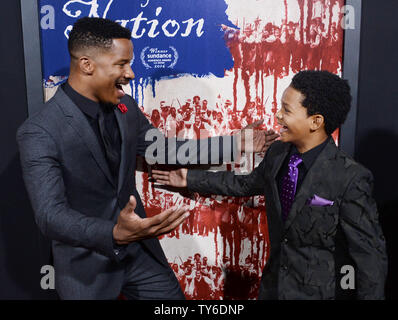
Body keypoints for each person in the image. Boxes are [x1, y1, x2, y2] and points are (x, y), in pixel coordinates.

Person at [17, 17, 276, 300]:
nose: (130, 74)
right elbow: (49, 215)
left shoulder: (124, 107)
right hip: (85, 265)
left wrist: (235, 144)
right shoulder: (40, 130)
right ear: (87, 65)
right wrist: (113, 233)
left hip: (139, 252)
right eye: (121, 64)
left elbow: (163, 150)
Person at [152, 70, 388, 300]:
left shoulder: (350, 178)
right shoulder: (278, 153)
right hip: (273, 288)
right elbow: (245, 185)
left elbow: (370, 258)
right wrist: (188, 179)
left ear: (316, 121)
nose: (278, 116)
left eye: (287, 110)